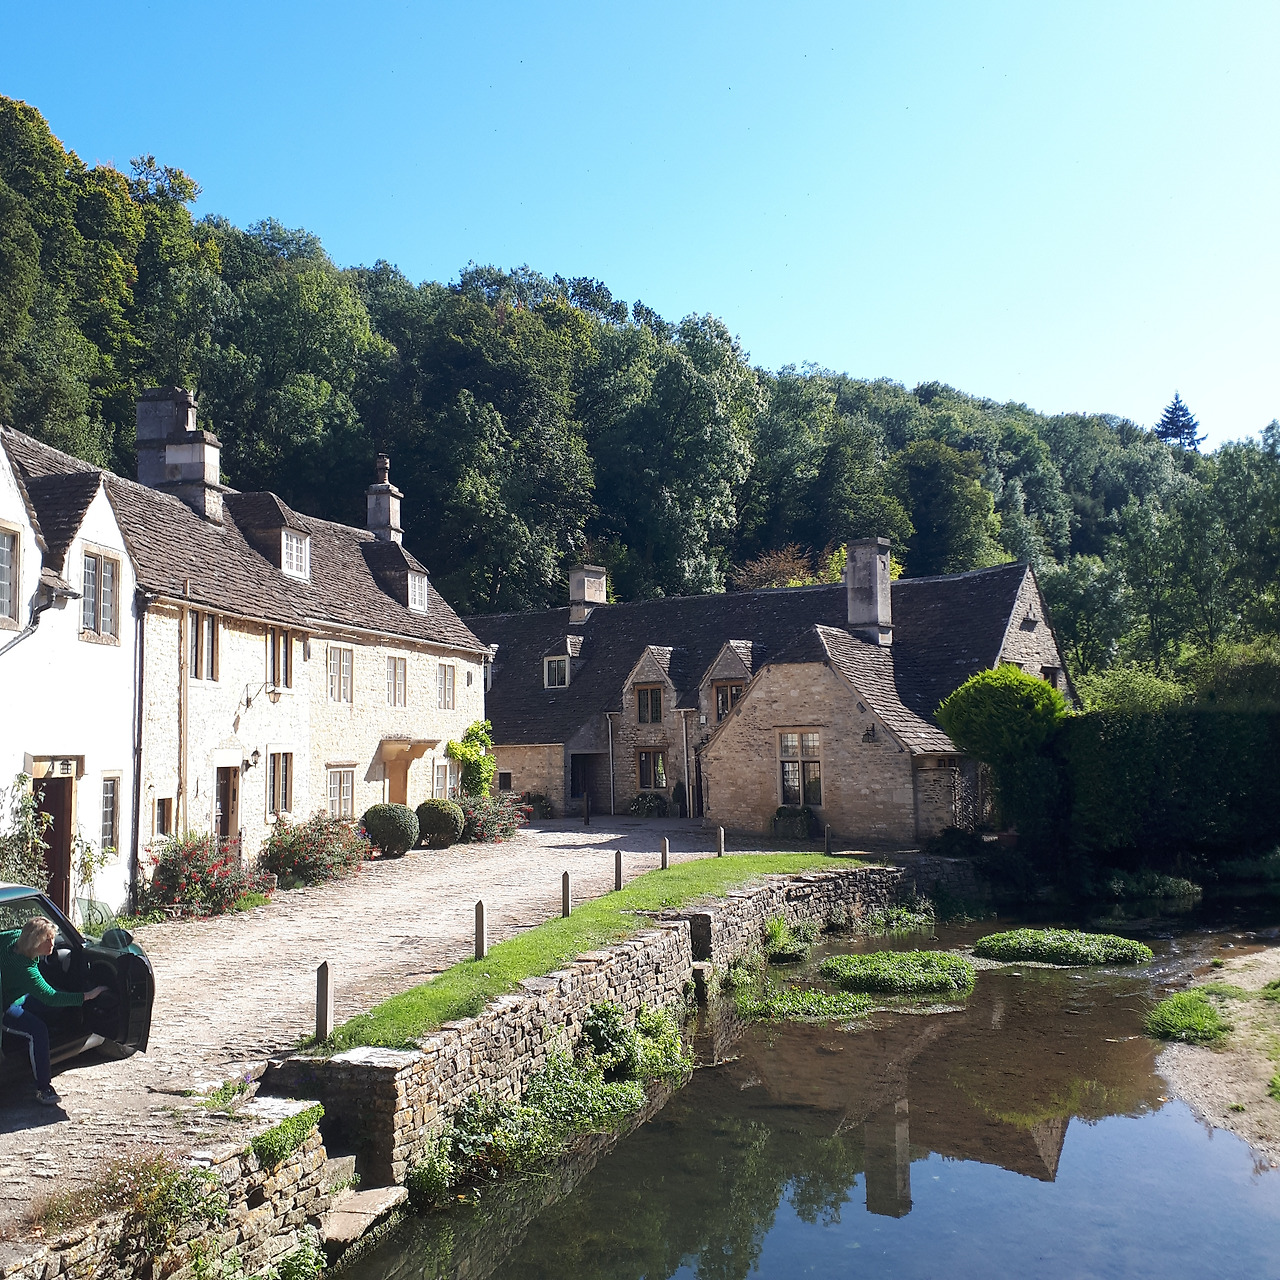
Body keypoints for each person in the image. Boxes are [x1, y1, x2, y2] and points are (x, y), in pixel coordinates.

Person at [1, 918, 106, 1106]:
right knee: (38, 1030)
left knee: (52, 1004)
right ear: (35, 942)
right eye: (47, 940)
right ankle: (43, 1089)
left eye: (53, 938)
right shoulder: (26, 970)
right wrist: (88, 996)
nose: (53, 944)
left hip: (19, 994)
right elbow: (52, 997)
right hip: (7, 1007)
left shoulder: (14, 937)